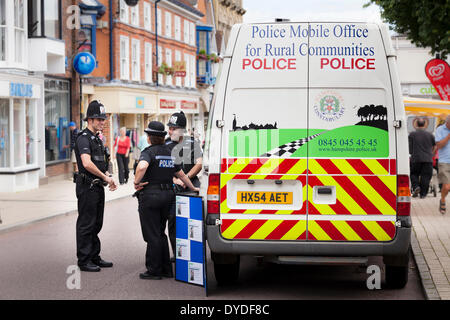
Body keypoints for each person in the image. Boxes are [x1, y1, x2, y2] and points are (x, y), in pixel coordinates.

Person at [134, 121, 199, 280]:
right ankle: (165, 269)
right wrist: (193, 188)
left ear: (149, 138)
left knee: (152, 234)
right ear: (162, 137)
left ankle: (154, 270)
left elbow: (142, 167)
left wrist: (136, 182)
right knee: (160, 232)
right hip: (168, 196)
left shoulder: (148, 152)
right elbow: (182, 174)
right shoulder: (169, 152)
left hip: (150, 197)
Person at [74, 100, 117, 272]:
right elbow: (86, 163)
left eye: (103, 119)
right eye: (98, 119)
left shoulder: (98, 139)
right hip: (87, 187)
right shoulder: (83, 138)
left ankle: (94, 256)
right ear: (89, 120)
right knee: (86, 224)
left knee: (96, 224)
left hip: (97, 187)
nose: (102, 122)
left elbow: (99, 165)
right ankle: (84, 260)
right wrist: (104, 178)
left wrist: (108, 177)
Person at [165, 111, 203, 260]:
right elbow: (163, 167)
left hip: (191, 187)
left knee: (193, 222)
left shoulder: (192, 143)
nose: (170, 131)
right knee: (173, 221)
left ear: (182, 129)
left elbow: (199, 163)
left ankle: (194, 253)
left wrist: (185, 178)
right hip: (173, 188)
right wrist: (175, 180)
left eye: (174, 128)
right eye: (170, 128)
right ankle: (177, 253)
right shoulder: (166, 145)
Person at [408, 118, 436, 199]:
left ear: (416, 124)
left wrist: (411, 153)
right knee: (426, 176)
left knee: (414, 174)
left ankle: (416, 186)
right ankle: (423, 194)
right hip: (428, 159)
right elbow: (435, 146)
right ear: (425, 124)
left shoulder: (412, 134)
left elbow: (410, 148)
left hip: (416, 158)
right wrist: (431, 154)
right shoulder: (430, 135)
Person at [436, 115, 450, 214]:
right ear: (447, 123)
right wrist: (448, 136)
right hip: (444, 161)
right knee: (446, 187)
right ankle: (443, 199)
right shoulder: (440, 129)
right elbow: (439, 145)